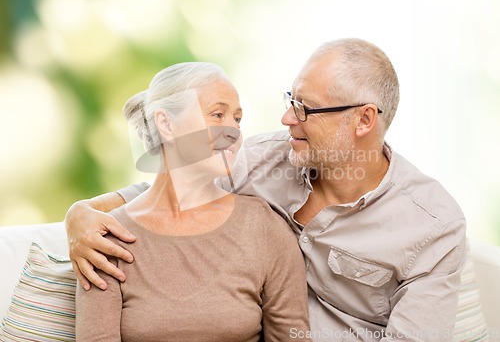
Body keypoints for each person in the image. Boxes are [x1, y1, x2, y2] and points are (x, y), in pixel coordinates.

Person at [67, 39, 466, 341]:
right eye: (291, 99)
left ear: (363, 120)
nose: (286, 117)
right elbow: (176, 191)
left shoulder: (432, 228)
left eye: (305, 108)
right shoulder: (266, 158)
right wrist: (81, 213)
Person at [74, 62, 311, 341]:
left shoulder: (264, 227)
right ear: (166, 124)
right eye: (217, 114)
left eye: (237, 119)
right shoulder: (105, 238)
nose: (233, 132)